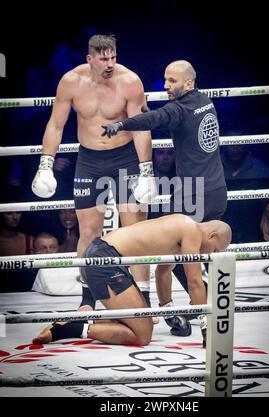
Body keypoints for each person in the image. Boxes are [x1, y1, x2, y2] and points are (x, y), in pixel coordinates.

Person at [31, 34, 157, 307]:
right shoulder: (71, 82)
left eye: (113, 57)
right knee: (88, 232)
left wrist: (147, 170)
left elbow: (140, 126)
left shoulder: (130, 81)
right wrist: (46, 164)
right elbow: (55, 125)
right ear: (90, 59)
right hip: (89, 159)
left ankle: (143, 299)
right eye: (104, 59)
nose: (110, 63)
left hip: (125, 158)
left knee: (135, 230)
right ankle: (87, 299)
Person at [102, 60, 227, 331]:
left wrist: (122, 124)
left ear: (189, 83)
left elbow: (155, 118)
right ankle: (192, 312)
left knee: (174, 261)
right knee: (200, 255)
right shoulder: (205, 101)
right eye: (165, 79)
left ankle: (197, 317)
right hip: (217, 190)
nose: (166, 85)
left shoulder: (178, 110)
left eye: (172, 81)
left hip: (192, 194)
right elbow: (161, 114)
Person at [32, 214, 232, 347]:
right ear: (212, 235)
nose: (212, 255)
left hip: (106, 258)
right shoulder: (192, 230)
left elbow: (164, 273)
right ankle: (71, 328)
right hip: (104, 260)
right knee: (142, 335)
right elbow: (194, 281)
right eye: (215, 250)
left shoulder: (182, 228)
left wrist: (169, 311)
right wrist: (208, 326)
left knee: (143, 323)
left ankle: (76, 321)